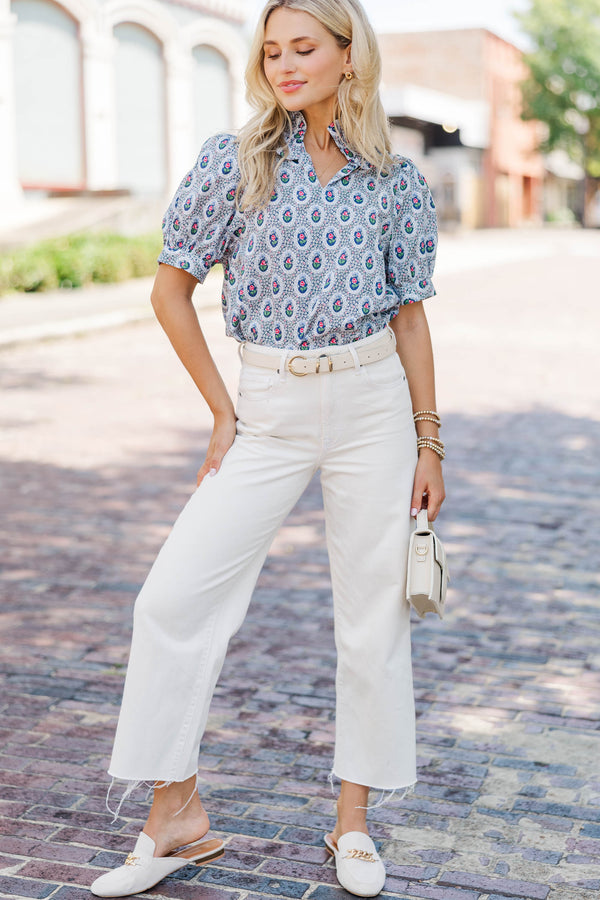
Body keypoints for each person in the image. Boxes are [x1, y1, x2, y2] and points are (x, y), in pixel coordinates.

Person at [90, 0, 445, 897]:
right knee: (170, 599)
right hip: (269, 405)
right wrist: (220, 409)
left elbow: (410, 318)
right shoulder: (235, 161)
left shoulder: (395, 180)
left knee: (373, 616)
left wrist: (428, 441)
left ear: (346, 55)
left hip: (372, 405)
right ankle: (175, 815)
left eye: (304, 48)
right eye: (273, 50)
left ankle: (353, 826)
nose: (285, 64)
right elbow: (171, 291)